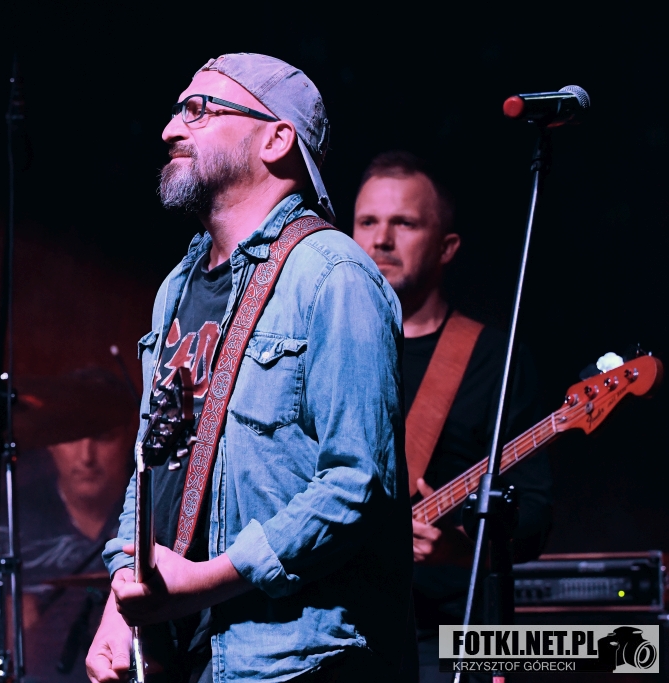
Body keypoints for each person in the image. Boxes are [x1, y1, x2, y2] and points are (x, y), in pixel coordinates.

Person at [86, 53, 410, 683]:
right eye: (177, 110)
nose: (171, 129)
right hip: (188, 657)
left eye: (199, 110)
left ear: (276, 139)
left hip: (294, 661)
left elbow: (356, 484)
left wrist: (207, 582)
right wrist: (121, 604)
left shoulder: (333, 274)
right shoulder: (177, 288)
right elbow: (154, 470)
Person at [352, 150, 553, 682]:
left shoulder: (493, 358)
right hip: (339, 628)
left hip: (448, 639)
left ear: (447, 247)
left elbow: (535, 514)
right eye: (367, 222)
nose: (381, 240)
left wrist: (461, 548)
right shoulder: (324, 350)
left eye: (404, 223)